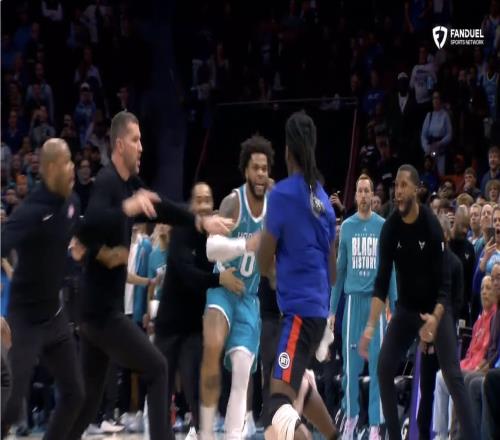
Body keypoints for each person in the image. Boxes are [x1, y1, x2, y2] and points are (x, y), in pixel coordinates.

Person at [67, 111, 232, 440]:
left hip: (96, 312)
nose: (141, 147)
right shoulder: (107, 181)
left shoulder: (130, 184)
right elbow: (88, 225)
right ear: (119, 145)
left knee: (87, 403)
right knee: (157, 368)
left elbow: (163, 208)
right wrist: (127, 208)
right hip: (101, 313)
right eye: (136, 140)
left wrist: (200, 222)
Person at [358, 164, 475, 440]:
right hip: (407, 310)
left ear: (415, 190)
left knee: (453, 376)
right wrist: (370, 328)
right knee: (384, 368)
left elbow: (445, 286)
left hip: (436, 309)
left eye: (403, 186)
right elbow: (381, 283)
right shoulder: (390, 228)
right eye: (395, 186)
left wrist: (435, 319)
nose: (397, 191)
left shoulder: (431, 225)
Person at [258, 111, 338, 440]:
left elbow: (263, 260)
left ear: (287, 150)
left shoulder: (281, 195)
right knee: (299, 383)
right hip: (318, 313)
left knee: (277, 405)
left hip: (298, 315)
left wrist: (274, 272)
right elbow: (332, 272)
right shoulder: (324, 201)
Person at [0, 138, 85, 440]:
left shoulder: (73, 202)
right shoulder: (29, 211)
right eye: (65, 162)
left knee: (75, 394)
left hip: (55, 314)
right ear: (49, 168)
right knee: (10, 406)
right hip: (25, 318)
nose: (72, 167)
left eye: (72, 160)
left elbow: (72, 238)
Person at [154, 182, 245, 439]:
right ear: (191, 204)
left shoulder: (215, 238)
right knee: (162, 389)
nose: (204, 205)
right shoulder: (182, 229)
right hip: (169, 326)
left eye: (208, 199)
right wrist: (219, 280)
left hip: (194, 326)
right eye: (199, 199)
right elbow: (188, 274)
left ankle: (201, 432)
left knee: (196, 387)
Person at [199, 135, 273, 440]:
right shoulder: (233, 202)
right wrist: (245, 245)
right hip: (223, 287)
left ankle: (232, 434)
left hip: (248, 296)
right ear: (246, 171)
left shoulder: (273, 209)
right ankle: (204, 431)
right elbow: (211, 248)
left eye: (264, 168)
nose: (260, 173)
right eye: (255, 168)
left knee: (243, 368)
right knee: (213, 346)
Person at [330, 173, 397, 440]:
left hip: (375, 305)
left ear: (373, 195)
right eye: (360, 190)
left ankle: (375, 426)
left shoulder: (383, 226)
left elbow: (390, 269)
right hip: (352, 304)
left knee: (378, 368)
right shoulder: (347, 227)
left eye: (368, 190)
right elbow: (339, 271)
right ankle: (351, 418)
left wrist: (394, 306)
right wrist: (331, 311)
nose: (364, 195)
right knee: (350, 368)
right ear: (355, 195)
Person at [433, 275, 497, 440]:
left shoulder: (494, 318)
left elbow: (488, 353)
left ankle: (454, 434)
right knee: (440, 377)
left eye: (488, 288)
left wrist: (473, 367)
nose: (484, 292)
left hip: (480, 367)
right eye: (482, 289)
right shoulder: (478, 321)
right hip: (469, 365)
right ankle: (441, 433)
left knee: (457, 380)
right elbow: (469, 353)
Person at [417, 214, 463, 440]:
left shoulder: (455, 264)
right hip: (427, 338)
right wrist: (423, 335)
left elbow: (456, 304)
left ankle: (445, 435)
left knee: (446, 390)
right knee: (426, 392)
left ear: (445, 235)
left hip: (445, 338)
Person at [420, 91, 452, 176]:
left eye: (437, 98)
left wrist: (440, 143)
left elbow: (449, 134)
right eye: (434, 98)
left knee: (441, 173)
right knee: (429, 173)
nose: (435, 100)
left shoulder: (445, 115)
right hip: (430, 150)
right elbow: (423, 135)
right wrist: (427, 147)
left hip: (441, 150)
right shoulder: (429, 115)